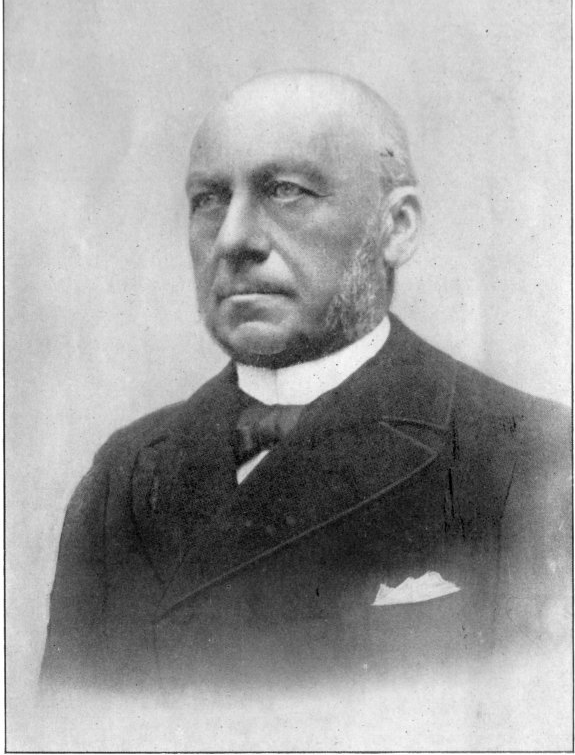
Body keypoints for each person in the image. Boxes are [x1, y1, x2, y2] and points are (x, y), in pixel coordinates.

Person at [42, 71, 571, 691]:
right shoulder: (126, 476)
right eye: (209, 199)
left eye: (286, 191)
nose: (234, 239)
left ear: (396, 227)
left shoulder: (533, 457)